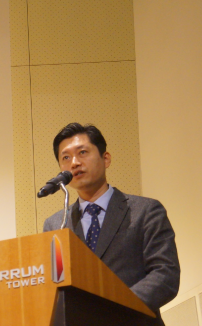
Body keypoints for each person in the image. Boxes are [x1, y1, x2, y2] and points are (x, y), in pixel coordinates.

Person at [43, 123, 180, 325]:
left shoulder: (146, 211)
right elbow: (53, 286)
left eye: (82, 152)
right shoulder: (55, 225)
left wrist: (114, 308)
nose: (74, 163)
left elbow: (165, 274)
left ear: (106, 159)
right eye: (66, 158)